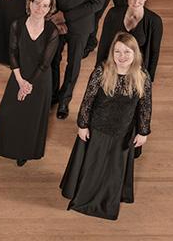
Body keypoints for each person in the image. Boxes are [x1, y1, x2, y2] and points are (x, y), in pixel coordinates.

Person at [60, 32, 152, 220]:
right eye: (117, 51)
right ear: (112, 53)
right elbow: (88, 100)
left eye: (127, 52)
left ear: (135, 53)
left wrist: (143, 131)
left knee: (114, 169)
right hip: (97, 128)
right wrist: (82, 125)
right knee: (92, 166)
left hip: (123, 131)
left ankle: (108, 198)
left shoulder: (142, 75)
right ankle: (85, 195)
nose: (122, 56)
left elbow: (145, 106)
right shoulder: (102, 71)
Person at [0, 0, 59, 166]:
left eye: (45, 5)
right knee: (6, 113)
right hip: (19, 75)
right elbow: (12, 53)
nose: (40, 8)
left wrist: (28, 85)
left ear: (49, 10)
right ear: (30, 3)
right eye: (37, 3)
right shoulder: (17, 24)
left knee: (31, 117)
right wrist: (20, 80)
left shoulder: (52, 31)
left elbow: (45, 63)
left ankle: (24, 152)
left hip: (39, 80)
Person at [96, 0, 162, 158]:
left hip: (136, 74)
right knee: (109, 105)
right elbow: (104, 44)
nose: (136, 1)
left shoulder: (154, 21)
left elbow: (154, 52)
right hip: (113, 69)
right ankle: (105, 142)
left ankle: (131, 147)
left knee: (132, 109)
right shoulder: (114, 13)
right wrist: (99, 71)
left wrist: (148, 81)